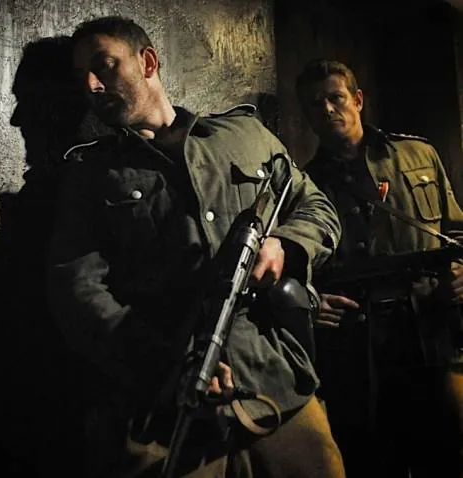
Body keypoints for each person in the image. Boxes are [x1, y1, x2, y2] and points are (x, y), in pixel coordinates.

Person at [46, 16, 345, 478]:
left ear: (148, 62)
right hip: (169, 415)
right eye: (81, 75)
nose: (91, 85)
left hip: (276, 388)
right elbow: (78, 291)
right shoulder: (91, 176)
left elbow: (316, 206)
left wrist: (285, 245)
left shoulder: (243, 136)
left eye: (104, 66)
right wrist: (166, 363)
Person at [296, 58, 463, 478]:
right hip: (358, 345)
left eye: (335, 97)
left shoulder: (418, 155)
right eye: (315, 104)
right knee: (372, 457)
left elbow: (455, 230)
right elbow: (297, 267)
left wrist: (461, 273)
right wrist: (312, 301)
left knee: (445, 451)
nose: (327, 109)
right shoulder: (303, 187)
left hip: (428, 330)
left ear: (357, 100)